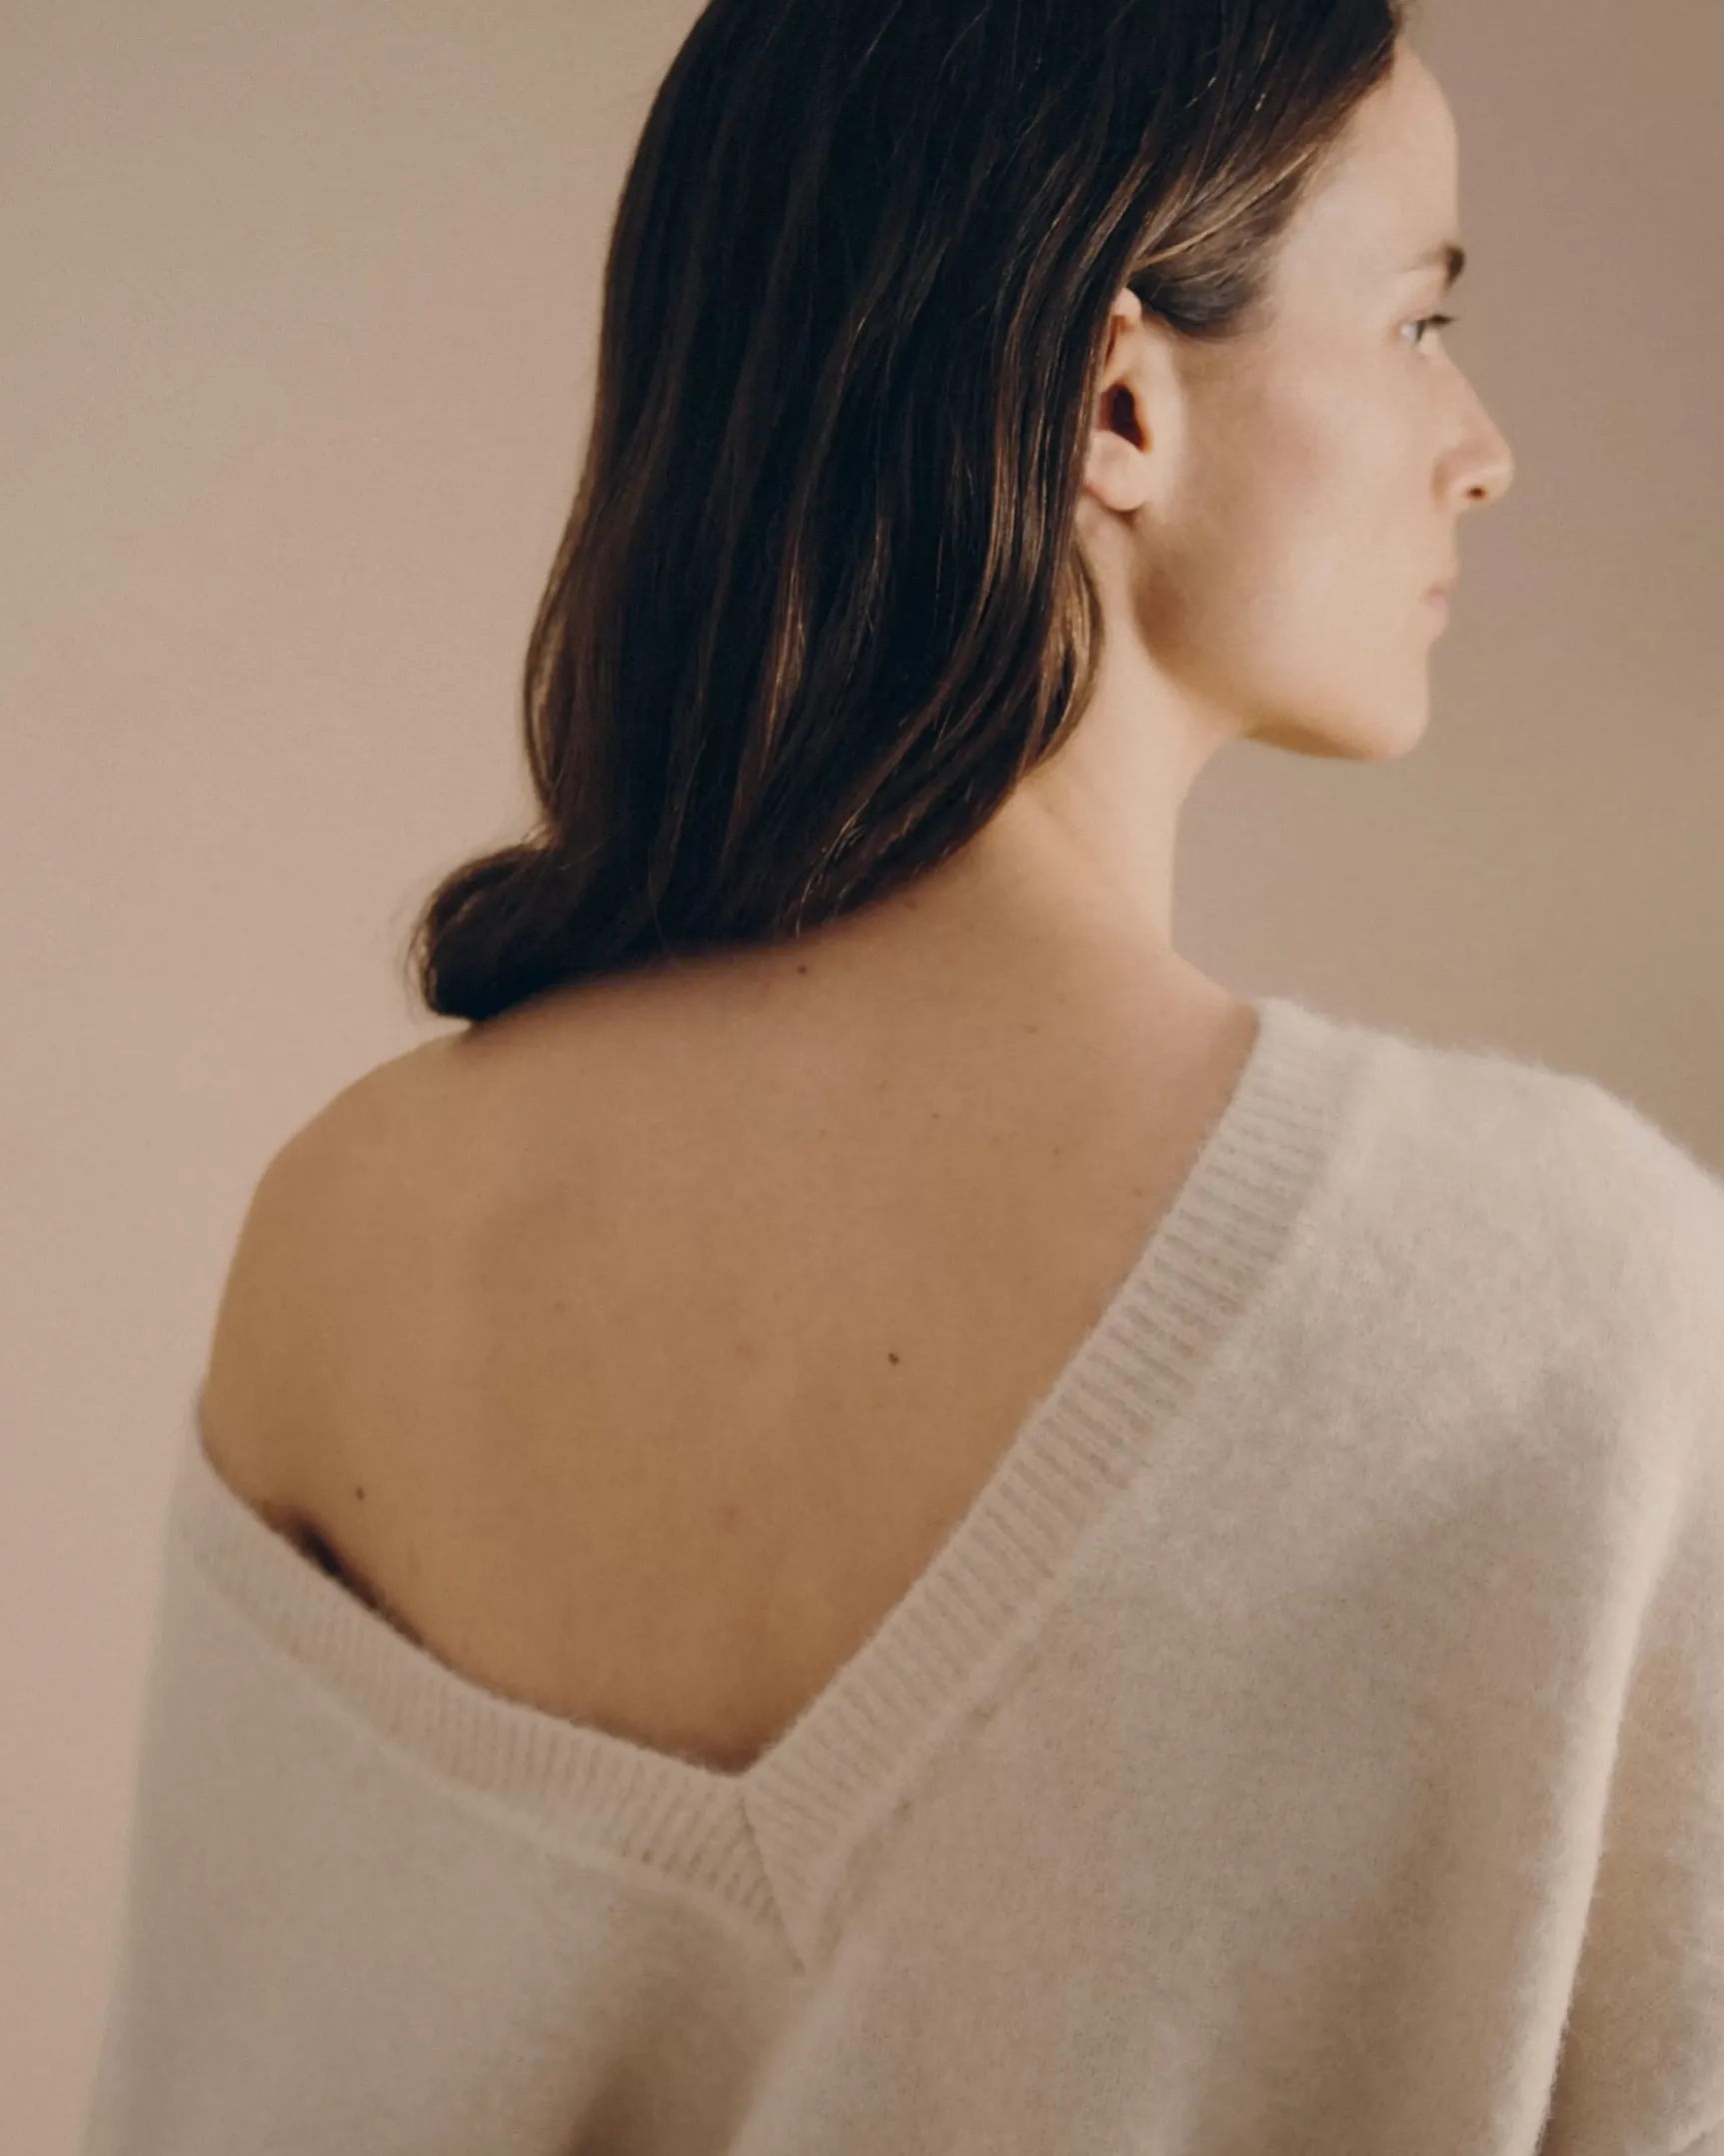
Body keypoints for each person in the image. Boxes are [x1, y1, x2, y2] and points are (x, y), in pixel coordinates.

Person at [84, 4, 1724, 2153]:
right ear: (1116, 401)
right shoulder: (1570, 1298)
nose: (1482, 447)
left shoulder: (355, 1235)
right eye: (1417, 321)